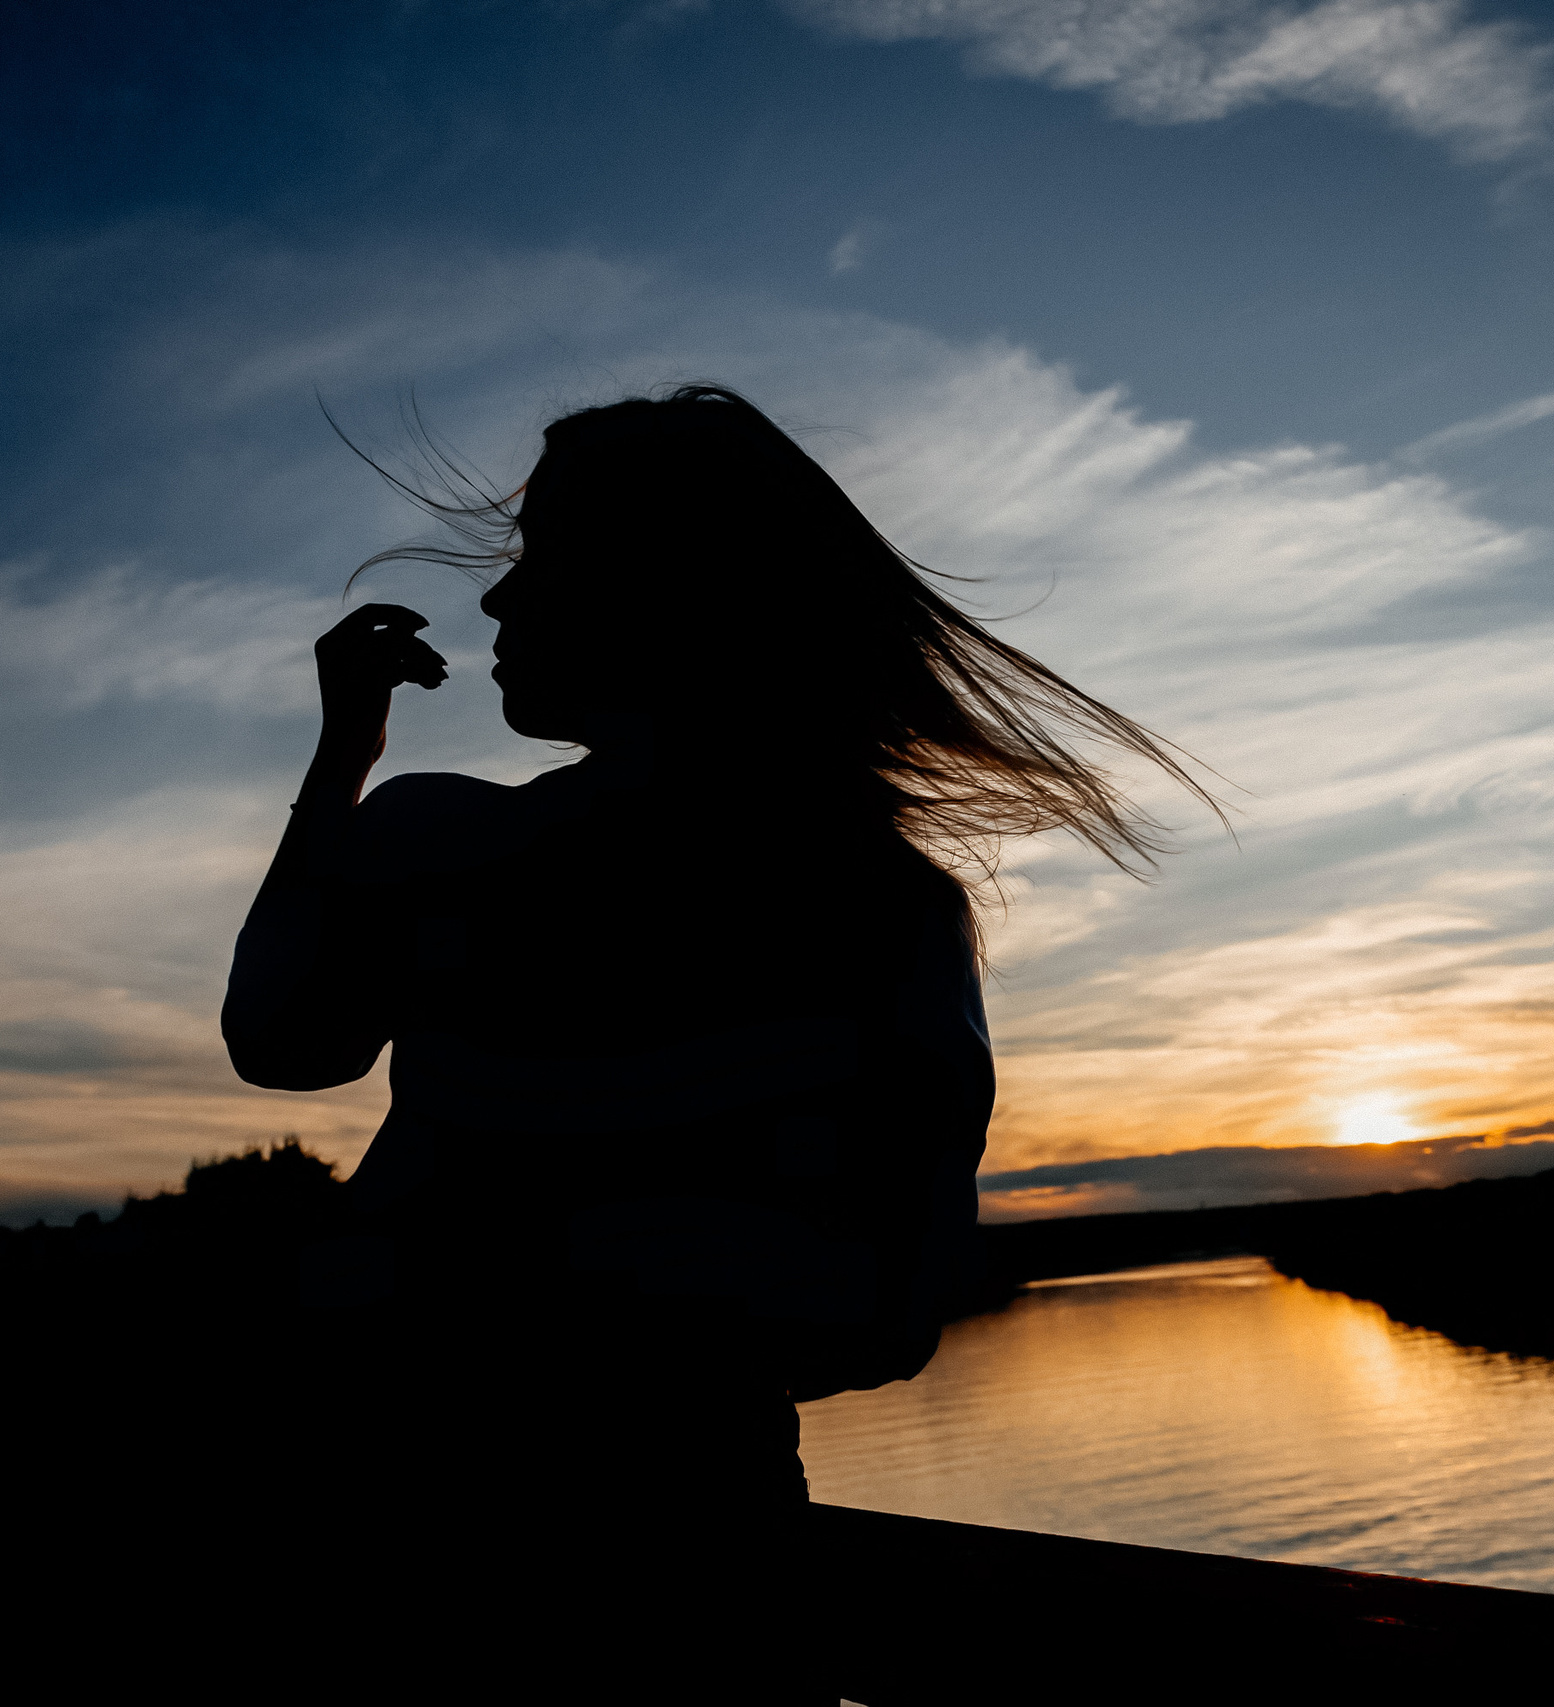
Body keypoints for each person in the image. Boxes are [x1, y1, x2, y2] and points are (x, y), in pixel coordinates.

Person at [222, 384, 1212, 1696]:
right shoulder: (465, 844)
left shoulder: (474, 848)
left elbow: (884, 1308)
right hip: (622, 1574)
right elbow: (283, 1045)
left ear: (674, 591)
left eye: (545, 558)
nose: (499, 604)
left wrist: (537, 1278)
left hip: (545, 1576)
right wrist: (348, 757)